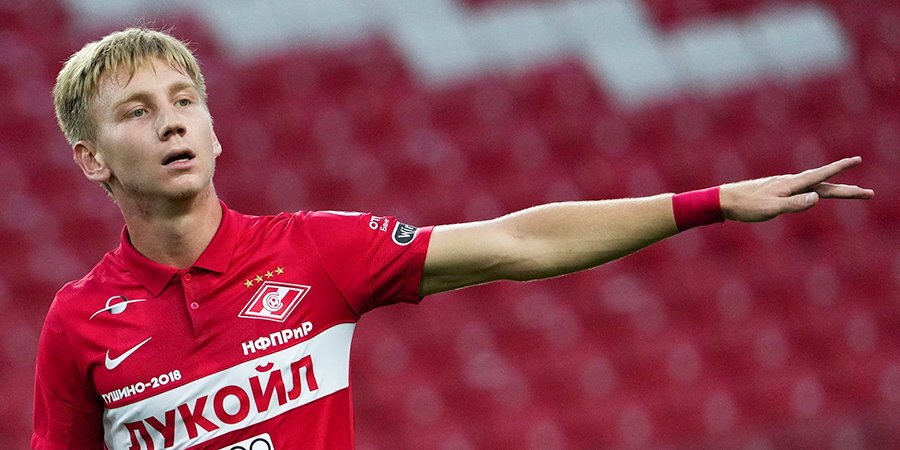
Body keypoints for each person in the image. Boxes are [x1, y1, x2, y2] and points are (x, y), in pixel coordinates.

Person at [33, 27, 873, 450]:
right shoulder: (78, 323)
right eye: (137, 112)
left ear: (215, 132)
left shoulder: (314, 251)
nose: (172, 123)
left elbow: (520, 242)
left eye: (185, 102)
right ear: (91, 159)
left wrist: (711, 201)